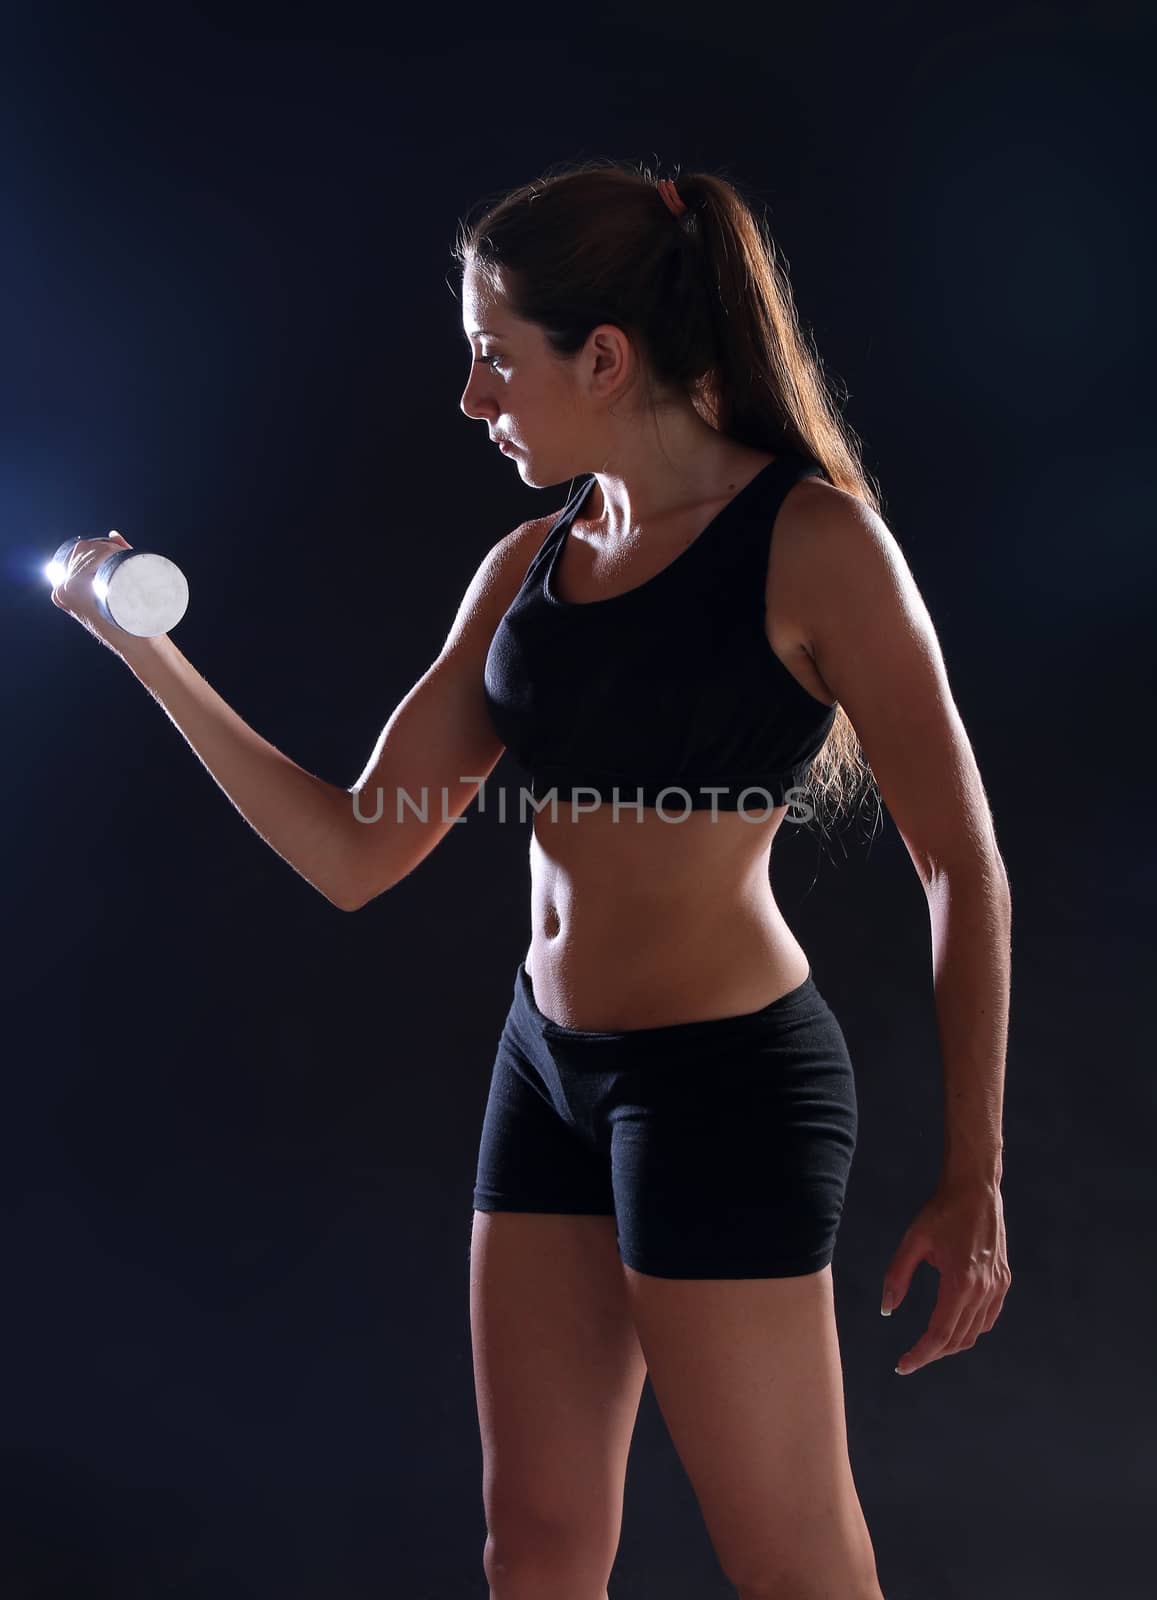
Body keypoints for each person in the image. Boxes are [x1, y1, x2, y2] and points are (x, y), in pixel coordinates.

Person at [52, 160, 1012, 1600]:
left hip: (724, 1089)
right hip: (546, 1071)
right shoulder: (526, 569)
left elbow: (963, 867)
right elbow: (356, 850)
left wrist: (972, 1171)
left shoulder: (814, 547)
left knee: (793, 1565)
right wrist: (146, 653)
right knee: (539, 1548)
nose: (472, 400)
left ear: (605, 356)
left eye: (496, 359)